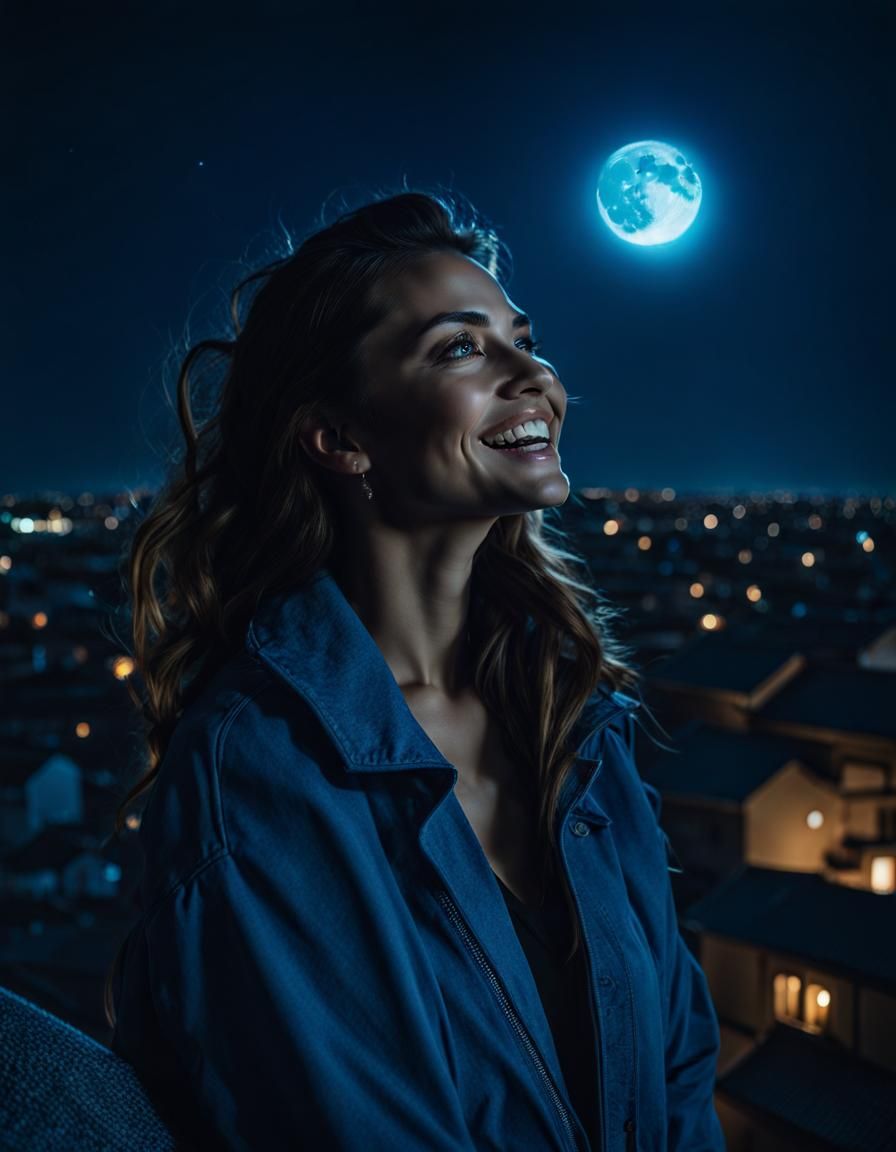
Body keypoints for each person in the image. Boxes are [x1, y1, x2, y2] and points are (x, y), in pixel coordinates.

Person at [105, 187, 726, 1151]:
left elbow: (679, 1074)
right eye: (461, 347)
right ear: (339, 438)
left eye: (524, 337)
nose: (535, 374)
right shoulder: (263, 772)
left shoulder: (575, 715)